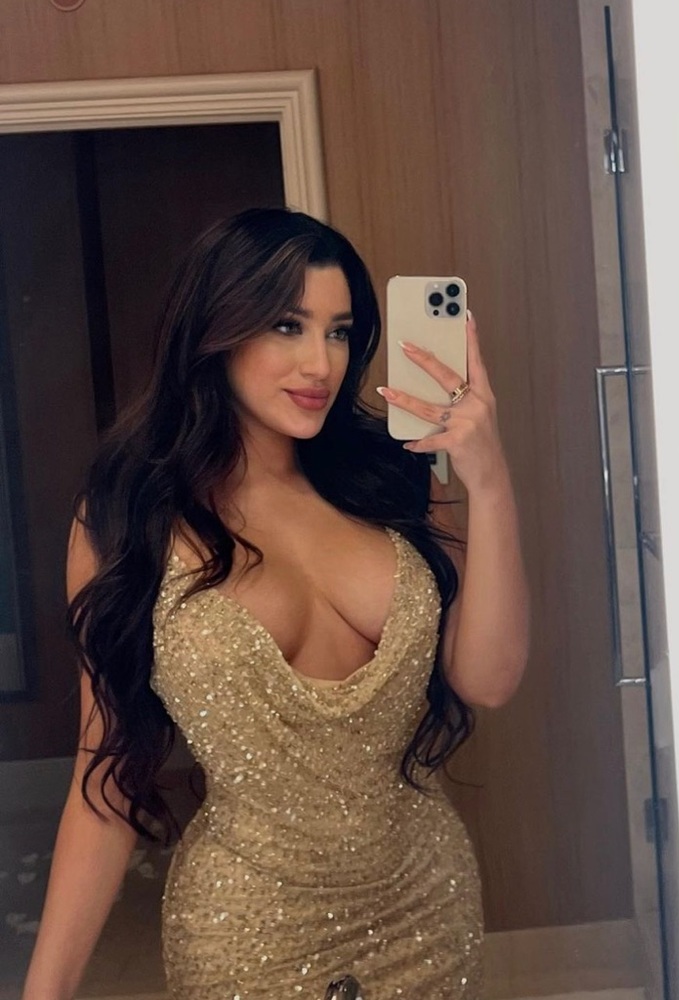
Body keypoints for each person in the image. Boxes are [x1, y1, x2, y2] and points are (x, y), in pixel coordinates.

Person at [21, 208, 530, 1000]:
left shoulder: (390, 477)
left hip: (425, 911)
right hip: (245, 934)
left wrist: (489, 481)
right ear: (216, 330)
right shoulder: (127, 517)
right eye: (288, 325)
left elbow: (488, 679)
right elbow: (106, 778)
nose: (320, 362)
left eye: (339, 331)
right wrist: (43, 992)